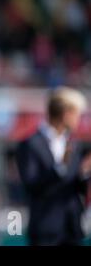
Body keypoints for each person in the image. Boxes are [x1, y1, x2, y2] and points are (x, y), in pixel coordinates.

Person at [16, 86, 91, 245]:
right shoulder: (31, 145)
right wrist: (59, 168)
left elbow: (76, 188)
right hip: (45, 230)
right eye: (77, 114)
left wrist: (84, 172)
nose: (79, 120)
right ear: (66, 114)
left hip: (72, 228)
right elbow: (31, 186)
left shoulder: (73, 144)